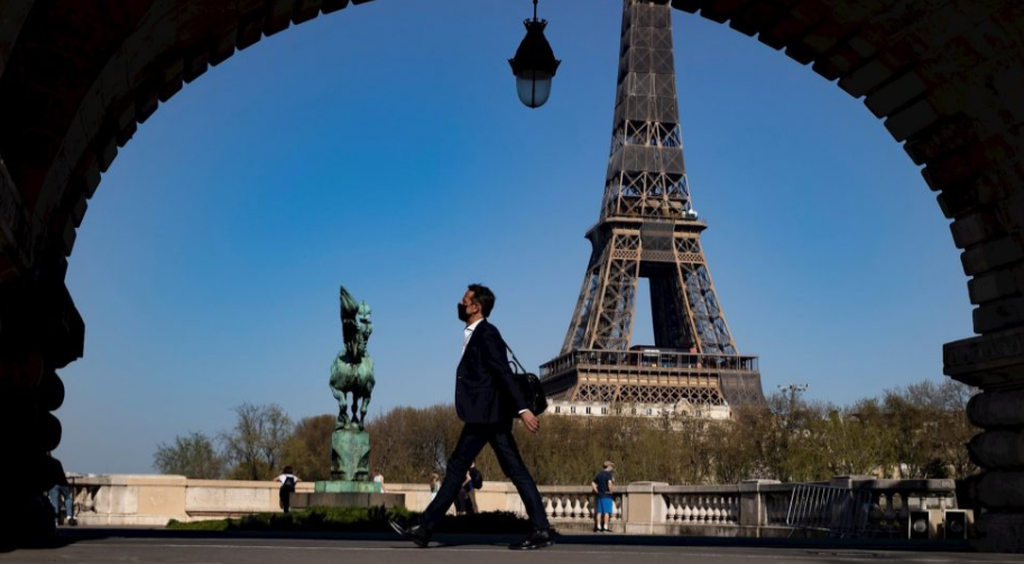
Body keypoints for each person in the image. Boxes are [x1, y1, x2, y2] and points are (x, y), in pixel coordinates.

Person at [391, 284, 554, 550]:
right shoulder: (479, 333)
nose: (460, 303)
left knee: (458, 469)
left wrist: (523, 409)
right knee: (511, 470)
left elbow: (502, 372)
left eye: (464, 300)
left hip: (486, 416)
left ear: (476, 307)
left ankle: (425, 528)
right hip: (487, 415)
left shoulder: (486, 333)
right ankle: (540, 528)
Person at [591, 461, 615, 532]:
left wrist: (596, 490)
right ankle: (605, 527)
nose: (612, 468)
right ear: (608, 467)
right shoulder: (608, 475)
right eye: (611, 466)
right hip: (606, 495)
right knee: (606, 512)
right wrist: (610, 490)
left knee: (599, 512)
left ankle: (598, 527)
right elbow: (609, 483)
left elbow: (593, 483)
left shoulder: (599, 474)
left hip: (599, 495)